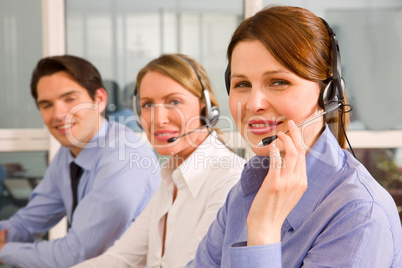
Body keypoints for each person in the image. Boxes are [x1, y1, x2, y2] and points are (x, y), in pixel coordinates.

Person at [188, 5, 402, 268]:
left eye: (278, 82)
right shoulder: (244, 191)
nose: (254, 104)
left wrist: (263, 230)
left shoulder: (359, 212)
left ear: (328, 95)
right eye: (242, 84)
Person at [73, 54, 245, 268]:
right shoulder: (169, 177)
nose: (158, 119)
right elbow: (120, 258)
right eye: (147, 105)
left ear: (207, 108)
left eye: (174, 101)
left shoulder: (229, 180)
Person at [0, 55, 161, 268]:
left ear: (99, 100)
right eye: (46, 105)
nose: (58, 114)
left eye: (70, 99)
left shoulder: (124, 155)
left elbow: (78, 253)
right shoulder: (69, 153)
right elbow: (29, 220)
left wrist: (5, 251)